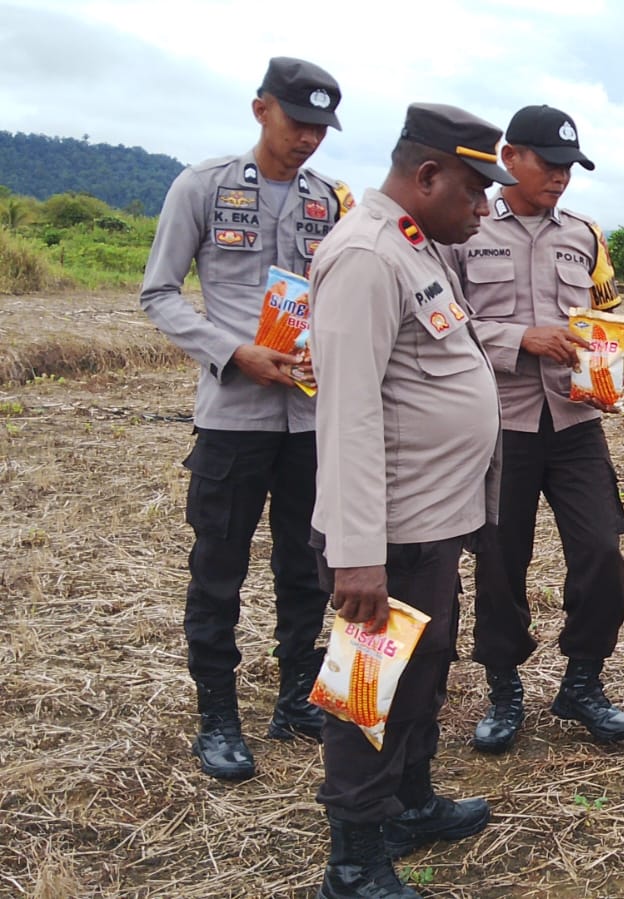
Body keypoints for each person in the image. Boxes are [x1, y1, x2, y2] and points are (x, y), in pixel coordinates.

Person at [307, 102, 514, 899]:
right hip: (386, 537)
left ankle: (411, 801)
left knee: (423, 673)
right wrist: (357, 554)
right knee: (369, 693)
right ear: (427, 175)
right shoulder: (365, 256)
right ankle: (354, 861)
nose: (484, 207)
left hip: (431, 522)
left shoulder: (412, 245)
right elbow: (349, 414)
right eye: (473, 189)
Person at [139, 56, 353, 781]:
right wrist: (233, 352)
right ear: (261, 109)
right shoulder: (202, 186)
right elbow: (159, 293)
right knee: (218, 568)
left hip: (309, 420)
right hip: (233, 416)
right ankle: (218, 715)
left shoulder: (330, 200)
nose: (309, 139)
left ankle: (297, 698)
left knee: (306, 566)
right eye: (299, 122)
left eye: (321, 128)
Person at [448, 104, 624, 754]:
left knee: (601, 551)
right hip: (500, 421)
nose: (560, 177)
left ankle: (583, 681)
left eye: (569, 167)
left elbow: (605, 318)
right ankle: (504, 688)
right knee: (500, 560)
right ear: (510, 158)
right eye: (549, 164)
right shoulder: (465, 228)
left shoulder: (584, 235)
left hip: (576, 420)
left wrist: (606, 371)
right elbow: (441, 325)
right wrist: (517, 338)